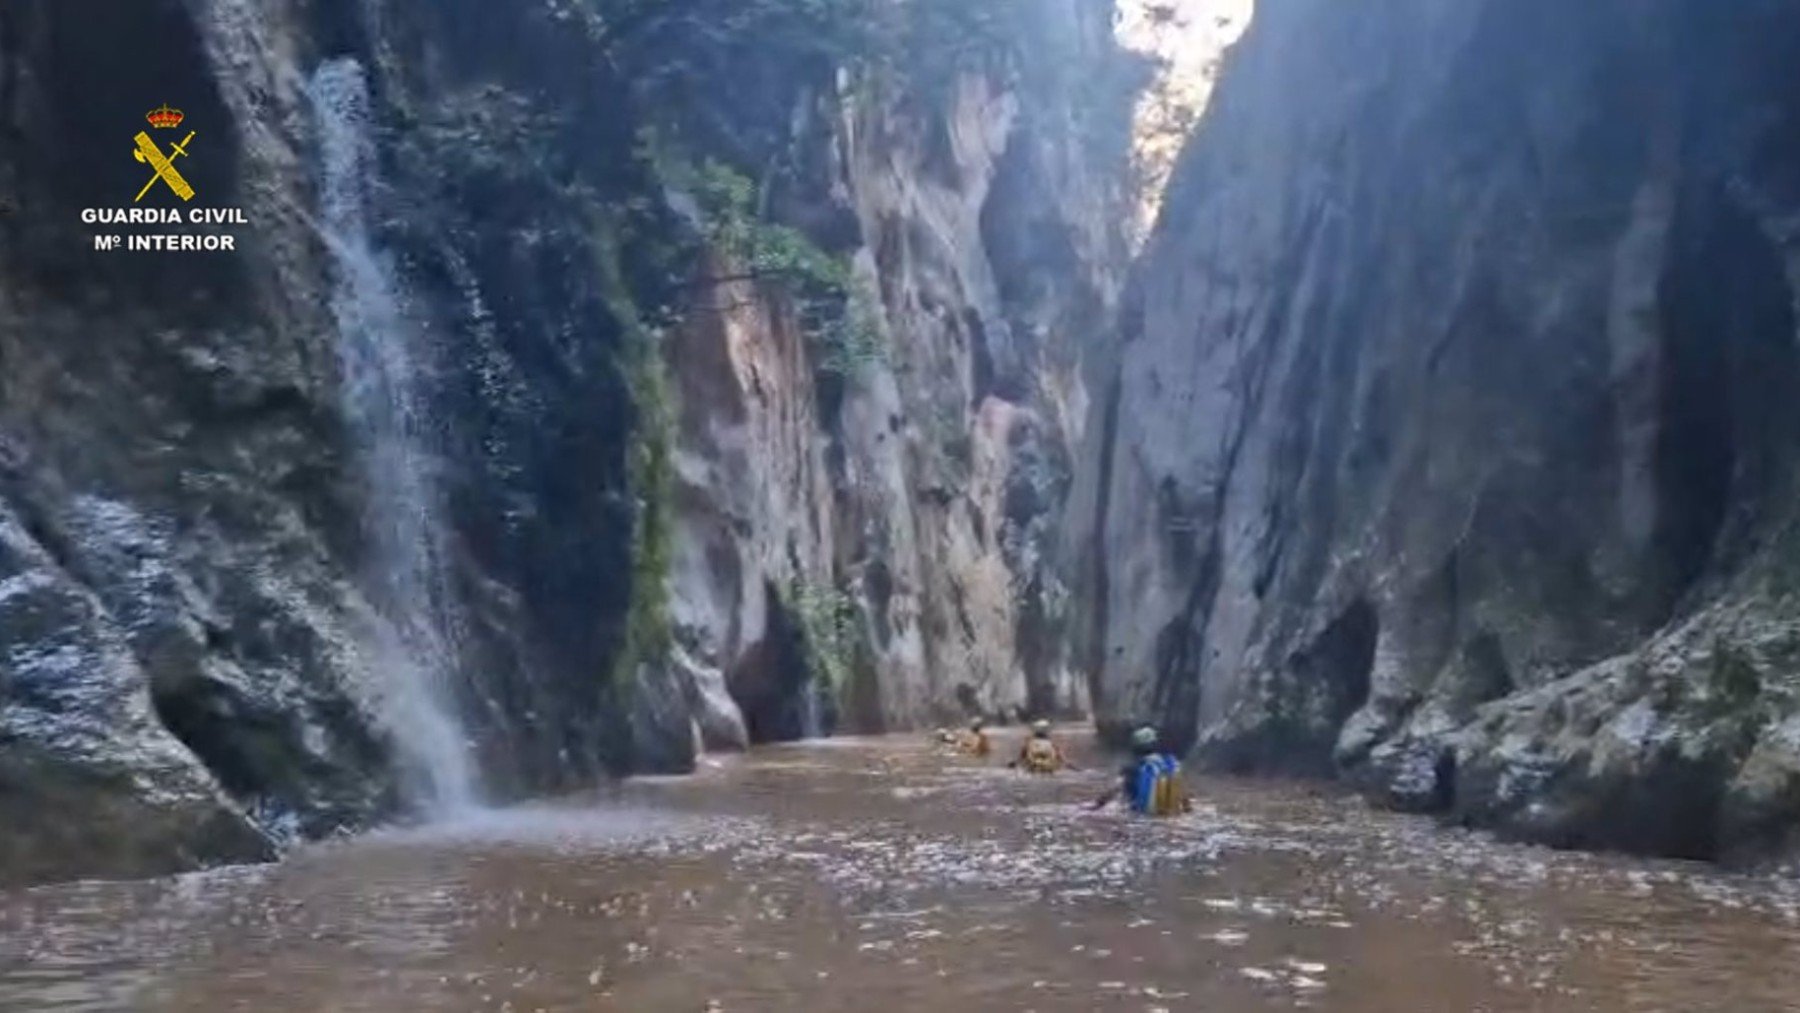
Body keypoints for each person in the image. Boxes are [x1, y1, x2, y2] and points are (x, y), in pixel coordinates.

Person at [1090, 725, 1189, 815]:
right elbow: (1184, 797)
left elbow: (1112, 791)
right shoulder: (1170, 763)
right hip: (1170, 812)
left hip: (1140, 815)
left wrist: (1096, 806)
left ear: (1136, 747)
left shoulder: (1132, 768)